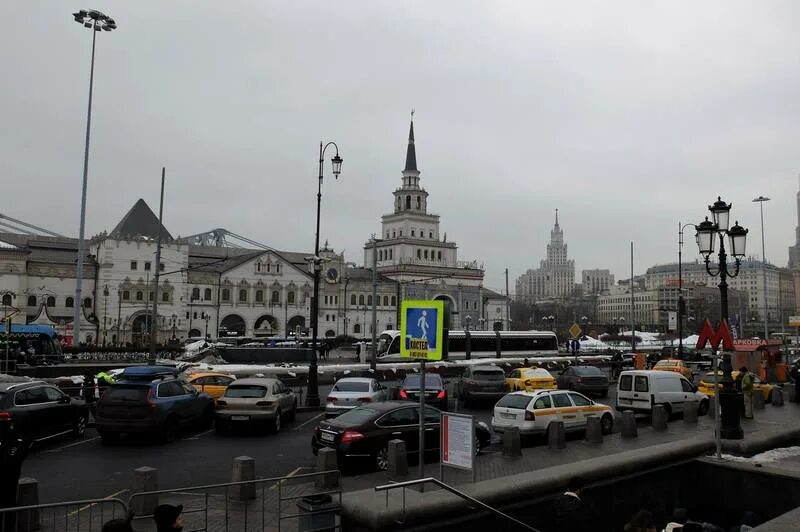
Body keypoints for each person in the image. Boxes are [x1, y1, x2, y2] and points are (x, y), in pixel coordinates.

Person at [0, 420, 29, 532]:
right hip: (10, 485)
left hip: (9, 484)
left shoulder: (15, 443)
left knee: (8, 509)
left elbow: (13, 459)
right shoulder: (16, 442)